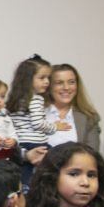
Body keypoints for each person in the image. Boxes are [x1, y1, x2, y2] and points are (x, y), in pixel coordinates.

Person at [8, 55, 70, 188]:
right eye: (42, 78)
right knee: (62, 160)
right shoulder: (36, 99)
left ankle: (24, 189)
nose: (47, 82)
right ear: (28, 79)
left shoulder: (16, 100)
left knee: (25, 174)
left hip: (22, 144)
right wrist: (55, 127)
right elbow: (38, 123)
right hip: (36, 142)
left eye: (48, 78)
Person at [46, 63, 101, 151]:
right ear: (49, 86)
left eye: (71, 82)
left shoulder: (90, 117)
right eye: (59, 83)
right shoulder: (36, 114)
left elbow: (92, 155)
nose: (66, 87)